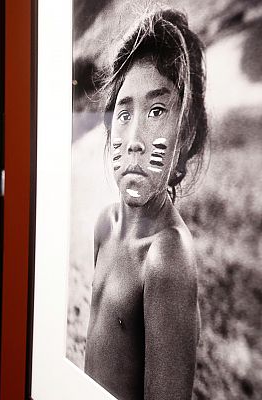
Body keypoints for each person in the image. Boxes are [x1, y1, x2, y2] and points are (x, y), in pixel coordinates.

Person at [84, 8, 208, 400]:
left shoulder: (166, 256)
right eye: (124, 112)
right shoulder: (105, 223)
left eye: (157, 111)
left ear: (185, 135)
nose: (135, 138)